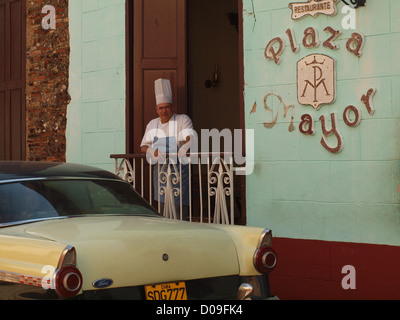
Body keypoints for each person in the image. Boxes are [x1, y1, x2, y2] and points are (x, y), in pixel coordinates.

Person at [140, 79, 194, 220]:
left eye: (167, 107)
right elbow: (143, 147)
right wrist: (154, 151)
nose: (164, 110)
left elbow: (189, 137)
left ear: (172, 107)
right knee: (163, 209)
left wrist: (184, 148)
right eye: (161, 108)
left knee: (179, 209)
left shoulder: (183, 120)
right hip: (161, 172)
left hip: (179, 172)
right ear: (156, 109)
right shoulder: (152, 124)